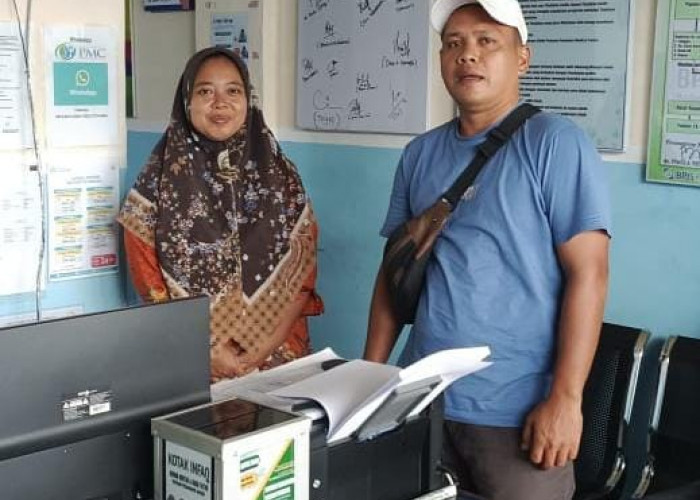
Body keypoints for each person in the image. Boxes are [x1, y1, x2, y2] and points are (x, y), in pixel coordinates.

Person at [364, 1, 611, 499]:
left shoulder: (556, 144)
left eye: (486, 41)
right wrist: (368, 380)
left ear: (523, 57)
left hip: (516, 414)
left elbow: (591, 274)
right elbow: (394, 273)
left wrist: (565, 400)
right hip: (422, 404)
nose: (467, 55)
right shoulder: (419, 155)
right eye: (453, 43)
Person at [118, 47, 323, 382]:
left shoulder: (280, 173)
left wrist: (267, 343)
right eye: (204, 91)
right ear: (186, 101)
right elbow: (150, 281)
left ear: (248, 99)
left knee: (279, 435)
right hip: (193, 359)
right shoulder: (158, 180)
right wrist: (206, 349)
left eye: (233, 90)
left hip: (280, 354)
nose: (220, 103)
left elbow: (303, 267)